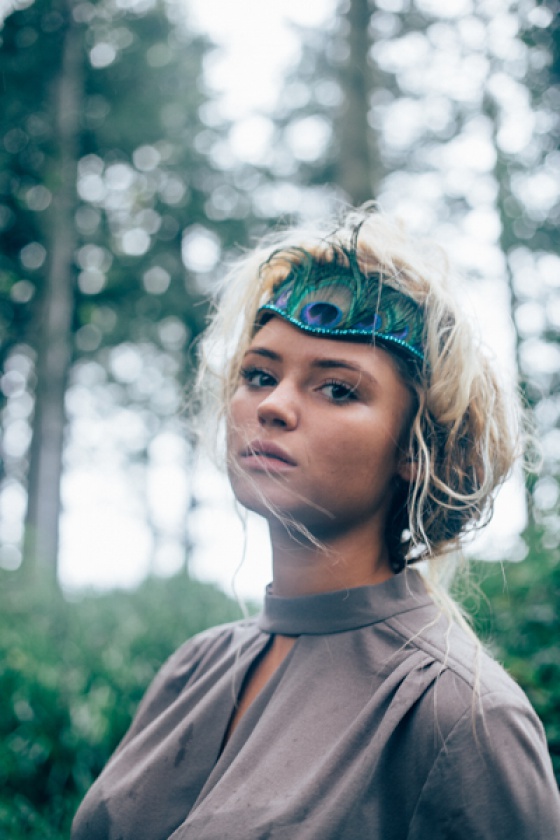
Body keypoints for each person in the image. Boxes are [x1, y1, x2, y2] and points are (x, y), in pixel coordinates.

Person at [72, 207, 560, 839]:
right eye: (259, 374)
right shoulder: (193, 667)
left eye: (336, 389)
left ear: (416, 450)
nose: (272, 405)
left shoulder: (458, 716)